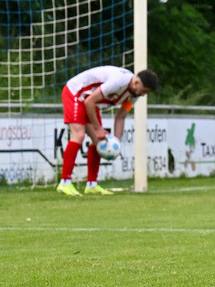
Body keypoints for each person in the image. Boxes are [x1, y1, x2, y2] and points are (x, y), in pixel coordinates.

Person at [57, 66, 158, 196]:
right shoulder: (119, 81)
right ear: (136, 82)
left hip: (90, 101)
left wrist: (117, 142)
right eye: (144, 91)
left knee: (99, 140)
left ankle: (91, 185)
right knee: (78, 135)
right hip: (76, 93)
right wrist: (98, 129)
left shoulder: (134, 95)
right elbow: (89, 102)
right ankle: (64, 183)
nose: (143, 95)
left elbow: (121, 117)